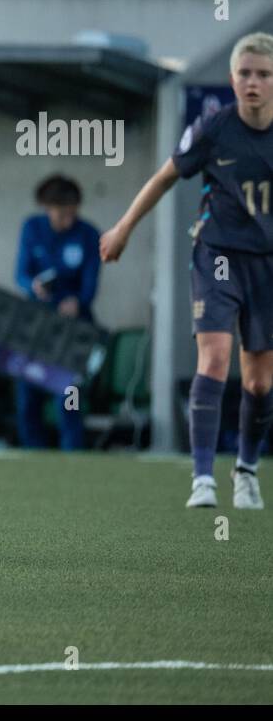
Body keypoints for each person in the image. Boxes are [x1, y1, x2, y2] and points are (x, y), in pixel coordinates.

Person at [101, 32, 273, 511]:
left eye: (263, 74)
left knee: (259, 382)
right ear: (232, 79)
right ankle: (202, 478)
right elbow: (163, 179)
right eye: (245, 74)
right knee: (214, 359)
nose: (253, 83)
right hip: (217, 255)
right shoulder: (213, 129)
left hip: (267, 264)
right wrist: (123, 228)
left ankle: (247, 470)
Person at [14, 174, 100, 450]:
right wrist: (34, 286)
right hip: (38, 326)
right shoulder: (32, 228)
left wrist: (77, 302)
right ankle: (33, 457)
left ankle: (72, 457)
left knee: (68, 397)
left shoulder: (88, 234)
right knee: (27, 397)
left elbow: (90, 285)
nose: (68, 219)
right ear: (47, 207)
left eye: (72, 212)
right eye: (62, 213)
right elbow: (21, 273)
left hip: (73, 328)